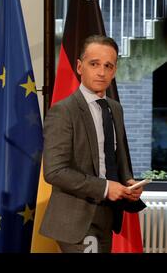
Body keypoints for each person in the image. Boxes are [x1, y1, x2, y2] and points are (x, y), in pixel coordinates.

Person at [40, 35, 145, 253]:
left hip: (108, 214)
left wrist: (128, 183)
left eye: (108, 66)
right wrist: (106, 188)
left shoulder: (115, 108)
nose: (101, 72)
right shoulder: (63, 111)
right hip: (75, 219)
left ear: (114, 70)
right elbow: (55, 172)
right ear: (80, 67)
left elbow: (118, 156)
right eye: (94, 64)